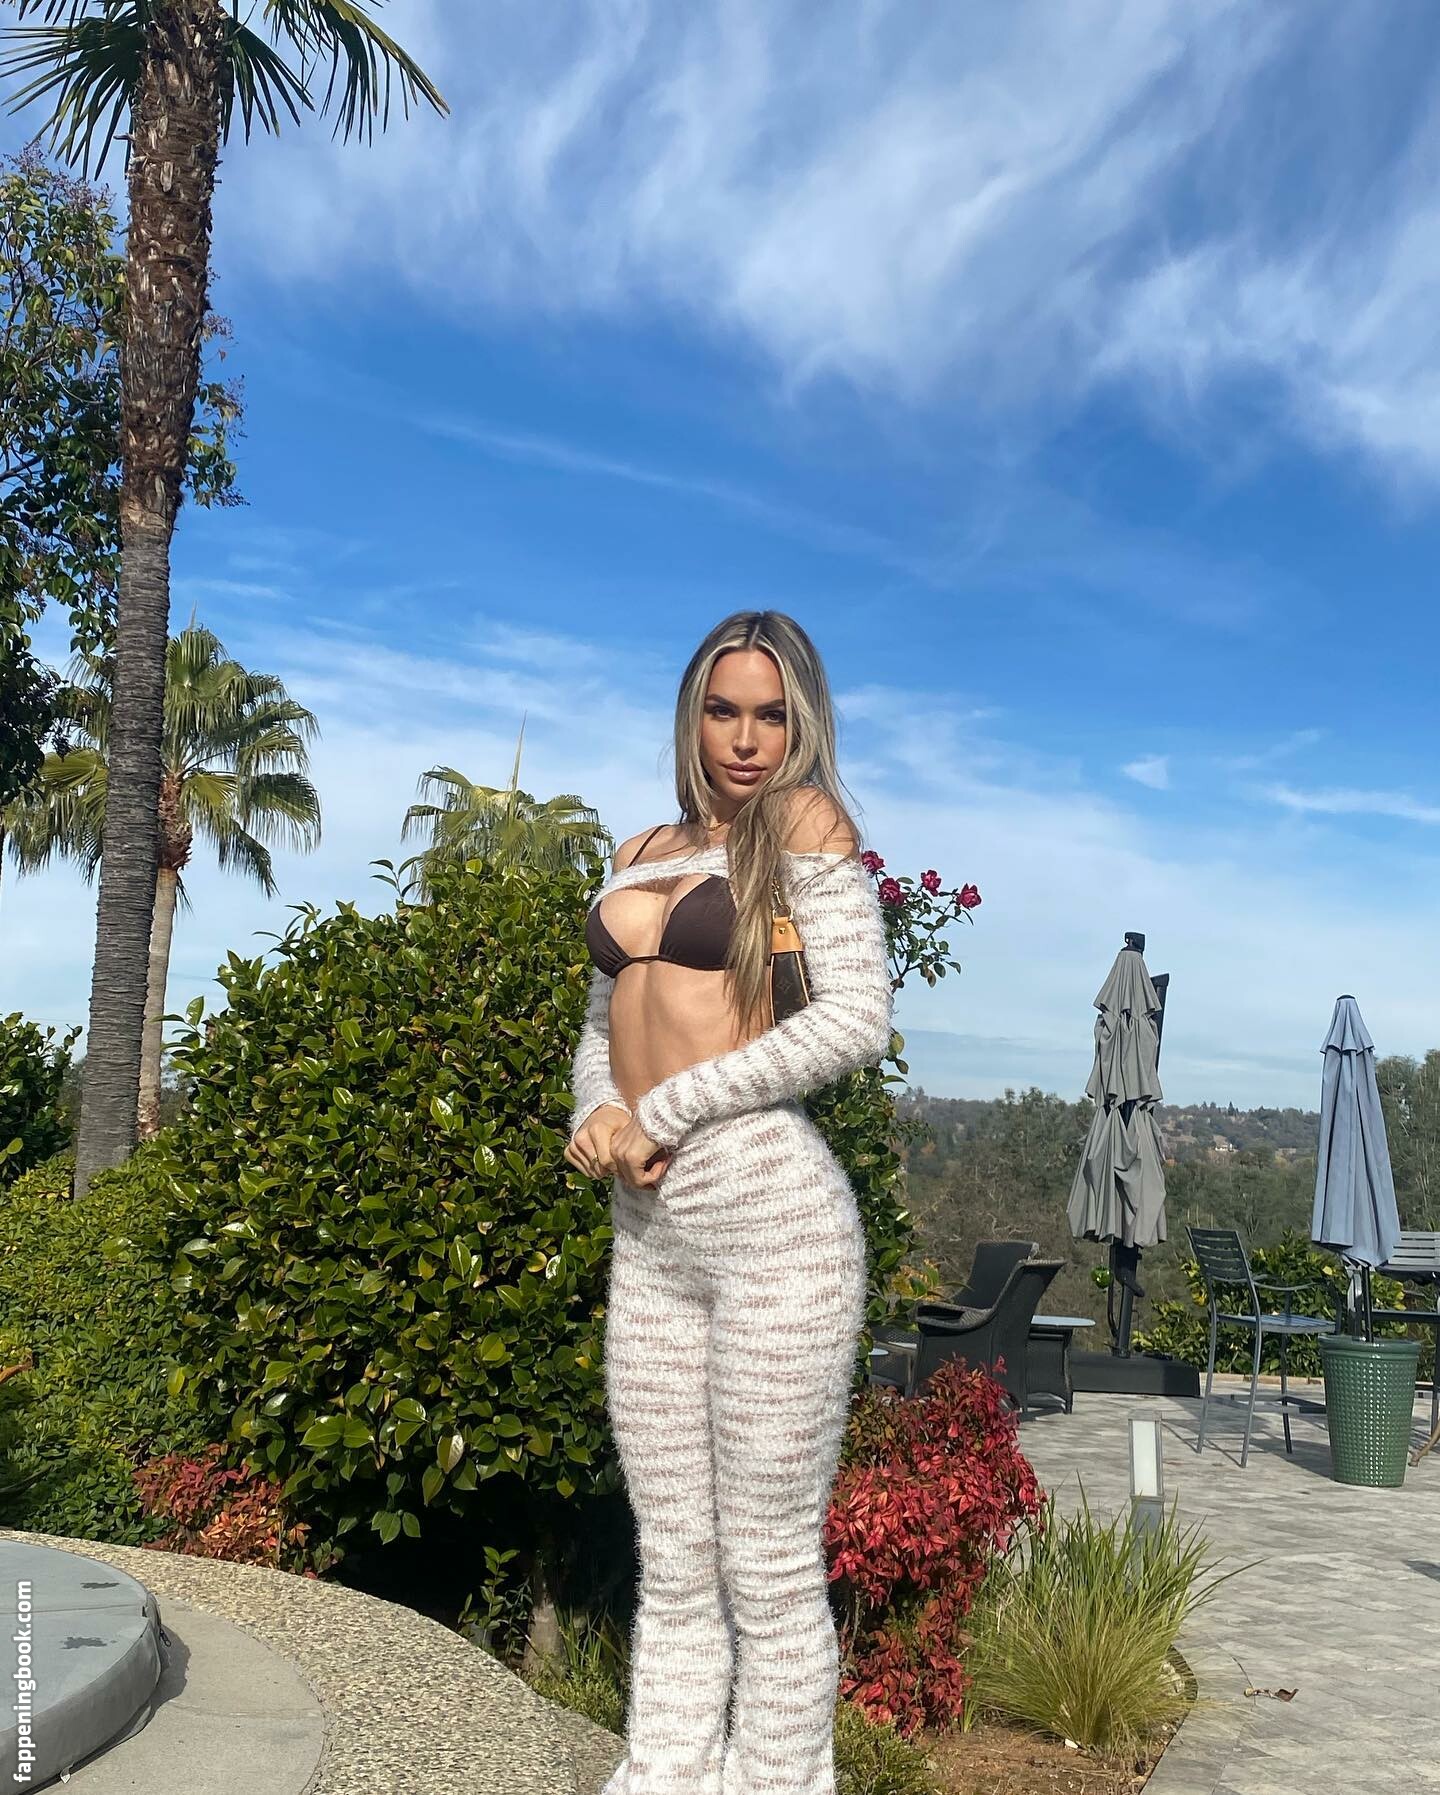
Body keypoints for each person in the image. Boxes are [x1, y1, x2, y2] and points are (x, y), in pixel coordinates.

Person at [563, 610, 894, 1795]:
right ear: (692, 716)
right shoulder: (641, 846)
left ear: (801, 723)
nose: (746, 739)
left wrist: (668, 1109)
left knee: (764, 1555)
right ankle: (661, 1772)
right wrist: (598, 1113)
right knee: (675, 1554)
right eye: (723, 710)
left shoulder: (805, 826)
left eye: (770, 715)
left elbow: (855, 1017)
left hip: (774, 1225)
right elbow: (601, 1027)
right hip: (650, 1235)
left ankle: (778, 1781)